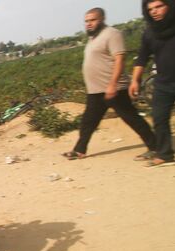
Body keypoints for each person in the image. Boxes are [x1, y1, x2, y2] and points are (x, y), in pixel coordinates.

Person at [62, 7, 156, 161]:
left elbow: (120, 59)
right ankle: (79, 150)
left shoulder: (112, 34)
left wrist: (112, 84)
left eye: (92, 20)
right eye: (86, 21)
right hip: (96, 90)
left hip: (114, 88)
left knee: (131, 118)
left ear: (102, 19)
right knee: (88, 121)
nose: (89, 24)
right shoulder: (93, 38)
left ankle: (155, 147)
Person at [129, 0, 175, 167]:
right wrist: (135, 80)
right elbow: (142, 57)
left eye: (158, 6)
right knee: (159, 118)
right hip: (164, 83)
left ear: (170, 5)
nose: (154, 11)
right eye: (150, 9)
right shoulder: (150, 33)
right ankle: (165, 155)